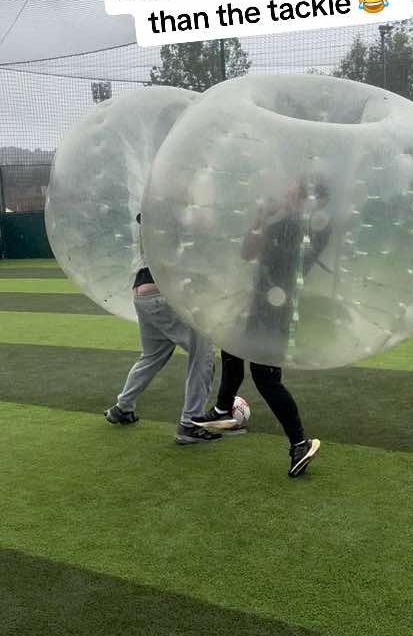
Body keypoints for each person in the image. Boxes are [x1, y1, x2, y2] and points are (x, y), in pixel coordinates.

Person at [192, 177, 332, 476]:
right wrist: (265, 216)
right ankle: (223, 409)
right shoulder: (301, 224)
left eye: (291, 188)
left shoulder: (296, 225)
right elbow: (251, 252)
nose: (283, 191)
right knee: (233, 346)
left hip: (274, 308)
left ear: (305, 197)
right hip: (268, 301)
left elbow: (248, 249)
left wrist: (265, 215)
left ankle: (300, 443)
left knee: (266, 378)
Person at [105, 213, 220, 445]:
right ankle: (190, 424)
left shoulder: (150, 218)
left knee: (152, 356)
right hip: (163, 295)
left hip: (142, 294)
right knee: (203, 354)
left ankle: (122, 407)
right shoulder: (172, 217)